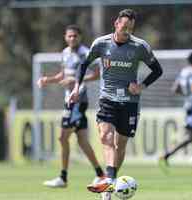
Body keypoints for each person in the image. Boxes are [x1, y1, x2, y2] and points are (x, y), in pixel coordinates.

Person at [68, 9, 163, 199]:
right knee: (105, 136)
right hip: (107, 99)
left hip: (129, 103)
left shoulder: (139, 46)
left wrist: (141, 86)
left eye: (131, 28)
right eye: (124, 27)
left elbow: (157, 70)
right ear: (116, 24)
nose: (127, 31)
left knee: (120, 146)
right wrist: (76, 87)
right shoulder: (101, 44)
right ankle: (109, 183)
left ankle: (110, 180)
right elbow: (84, 65)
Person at [37, 25, 105, 188]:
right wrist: (48, 79)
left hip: (78, 100)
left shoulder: (85, 53)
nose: (72, 38)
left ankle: (63, 177)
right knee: (82, 141)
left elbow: (97, 74)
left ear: (80, 37)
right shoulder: (65, 53)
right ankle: (100, 174)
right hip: (69, 99)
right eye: (69, 36)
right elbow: (63, 75)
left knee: (62, 137)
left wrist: (76, 81)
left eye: (75, 36)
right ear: (65, 37)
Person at [160, 53, 192, 169]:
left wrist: (185, 95)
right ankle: (166, 155)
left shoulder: (183, 72)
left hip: (189, 106)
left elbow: (175, 89)